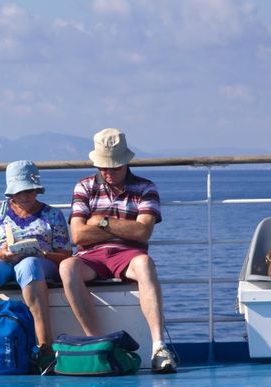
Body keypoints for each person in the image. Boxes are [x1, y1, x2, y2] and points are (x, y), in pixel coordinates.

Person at [59, 128, 177, 374]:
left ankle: (158, 347)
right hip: (91, 256)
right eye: (103, 167)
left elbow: (143, 233)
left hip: (129, 254)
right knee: (67, 267)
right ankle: (98, 344)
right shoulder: (84, 186)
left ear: (125, 163)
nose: (108, 173)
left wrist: (101, 221)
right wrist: (125, 228)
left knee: (145, 264)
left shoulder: (146, 188)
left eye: (113, 167)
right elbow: (78, 235)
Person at [0, 160, 72, 374]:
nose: (25, 196)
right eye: (19, 191)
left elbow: (66, 255)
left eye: (29, 190)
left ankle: (44, 346)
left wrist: (43, 253)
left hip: (38, 261)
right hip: (4, 259)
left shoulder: (53, 215)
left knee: (29, 265)